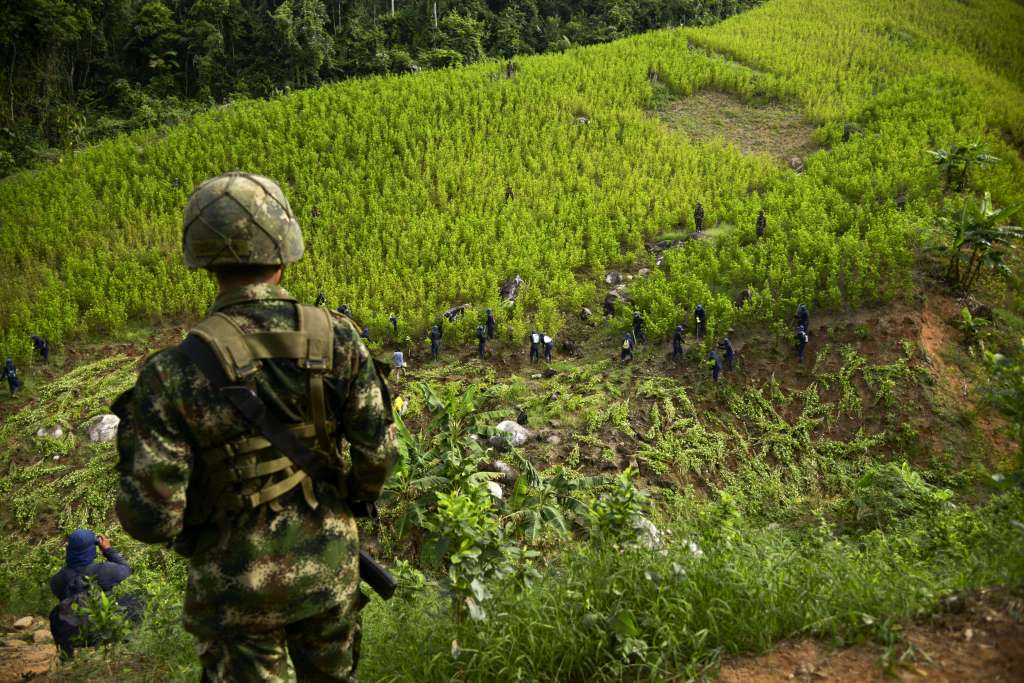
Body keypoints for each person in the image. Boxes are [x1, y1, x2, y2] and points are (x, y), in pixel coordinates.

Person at [112, 172, 397, 681]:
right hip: (329, 570)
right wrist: (349, 492)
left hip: (234, 587)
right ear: (284, 250)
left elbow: (152, 520)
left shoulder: (172, 372)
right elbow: (378, 455)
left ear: (203, 260)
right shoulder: (338, 339)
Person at [50, 529, 135, 659]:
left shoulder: (57, 580)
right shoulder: (106, 571)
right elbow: (127, 570)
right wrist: (107, 550)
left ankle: (67, 657)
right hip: (104, 631)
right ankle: (129, 647)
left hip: (74, 634)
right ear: (92, 549)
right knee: (131, 599)